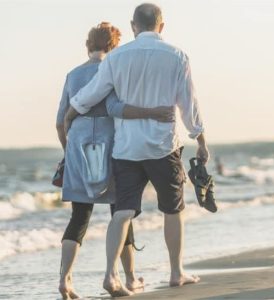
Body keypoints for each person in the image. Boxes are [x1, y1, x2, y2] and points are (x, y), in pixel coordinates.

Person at [67, 3, 210, 296]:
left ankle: (110, 275)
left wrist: (72, 111)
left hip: (126, 148)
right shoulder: (177, 56)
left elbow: (94, 92)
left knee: (122, 212)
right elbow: (188, 103)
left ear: (133, 26)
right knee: (173, 209)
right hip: (162, 146)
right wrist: (200, 138)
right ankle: (176, 272)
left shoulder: (116, 57)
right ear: (162, 26)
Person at [56, 22, 175, 299]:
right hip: (112, 144)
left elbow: (60, 121)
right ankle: (130, 278)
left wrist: (68, 152)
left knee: (79, 215)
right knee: (121, 213)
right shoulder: (115, 70)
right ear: (114, 46)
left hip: (78, 145)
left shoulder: (72, 75)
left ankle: (65, 280)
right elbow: (116, 108)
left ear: (89, 45)